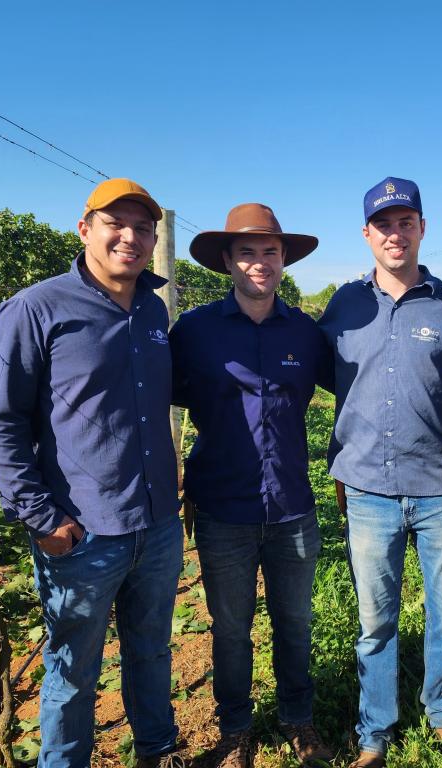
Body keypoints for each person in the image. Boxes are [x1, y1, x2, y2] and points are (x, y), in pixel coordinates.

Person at [0, 178, 184, 768]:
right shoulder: (36, 308)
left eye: (144, 227)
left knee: (150, 650)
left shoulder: (152, 309)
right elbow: (4, 422)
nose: (131, 236)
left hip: (156, 523)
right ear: (85, 228)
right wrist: (40, 517)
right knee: (73, 669)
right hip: (84, 532)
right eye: (115, 223)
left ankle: (157, 750)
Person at [318, 177, 442, 768]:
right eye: (383, 224)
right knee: (374, 620)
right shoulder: (344, 305)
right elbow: (328, 375)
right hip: (367, 490)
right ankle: (374, 731)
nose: (395, 233)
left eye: (405, 221)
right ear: (367, 234)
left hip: (440, 487)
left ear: (421, 229)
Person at [170, 203, 333, 768]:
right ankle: (236, 727)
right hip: (221, 507)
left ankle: (298, 718)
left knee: (294, 621)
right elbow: (156, 395)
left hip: (291, 504)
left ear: (284, 259)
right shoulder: (193, 331)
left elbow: (355, 394)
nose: (259, 263)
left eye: (269, 251)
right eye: (247, 252)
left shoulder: (307, 335)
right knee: (231, 627)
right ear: (227, 261)